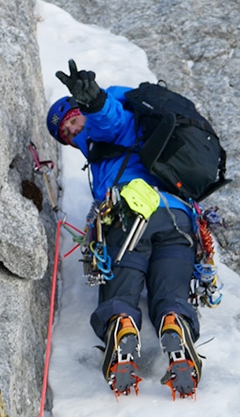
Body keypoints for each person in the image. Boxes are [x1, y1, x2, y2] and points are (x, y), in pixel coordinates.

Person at [47, 60, 202, 399]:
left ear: (78, 108)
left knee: (121, 290)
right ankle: (175, 323)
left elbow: (109, 120)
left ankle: (122, 328)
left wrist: (94, 102)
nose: (73, 133)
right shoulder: (134, 139)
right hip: (176, 218)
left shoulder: (110, 121)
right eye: (67, 136)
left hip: (129, 215)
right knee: (172, 290)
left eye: (72, 121)